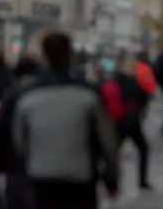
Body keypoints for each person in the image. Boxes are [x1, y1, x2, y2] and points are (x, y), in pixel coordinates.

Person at [9, 31, 120, 209]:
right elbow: (109, 142)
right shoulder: (88, 96)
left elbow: (19, 143)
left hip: (41, 176)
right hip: (79, 177)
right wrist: (111, 178)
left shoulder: (28, 98)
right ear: (71, 57)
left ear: (44, 57)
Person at [0, 56, 43, 209]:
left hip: (15, 164)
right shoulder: (43, 93)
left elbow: (1, 127)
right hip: (41, 162)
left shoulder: (12, 95)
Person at [114, 55, 152, 189]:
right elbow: (145, 98)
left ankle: (109, 179)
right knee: (144, 149)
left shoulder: (115, 81)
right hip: (132, 120)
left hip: (118, 120)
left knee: (112, 151)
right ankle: (142, 181)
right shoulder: (138, 82)